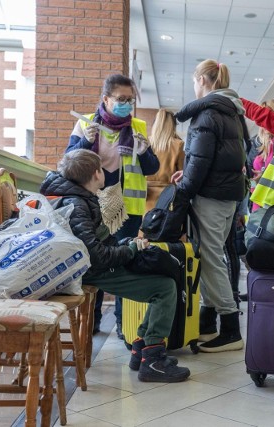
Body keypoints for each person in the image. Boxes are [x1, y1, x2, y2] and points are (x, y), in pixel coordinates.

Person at [40, 149, 190, 383]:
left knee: (162, 279)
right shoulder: (77, 204)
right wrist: (130, 250)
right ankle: (152, 360)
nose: (106, 173)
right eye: (102, 169)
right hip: (89, 271)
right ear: (95, 173)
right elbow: (97, 257)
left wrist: (125, 244)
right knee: (165, 287)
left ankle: (142, 348)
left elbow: (95, 244)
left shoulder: (71, 196)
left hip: (83, 267)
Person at [66, 74, 159, 339]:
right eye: (121, 99)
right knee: (91, 262)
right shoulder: (85, 123)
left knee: (124, 262)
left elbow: (152, 168)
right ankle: (91, 321)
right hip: (91, 206)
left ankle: (122, 323)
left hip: (127, 208)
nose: (126, 105)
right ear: (106, 99)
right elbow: (69, 165)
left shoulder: (138, 127)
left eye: (130, 100)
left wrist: (143, 152)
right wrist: (85, 140)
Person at [171, 59, 248, 353]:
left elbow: (202, 161)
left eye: (194, 81)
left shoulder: (207, 114)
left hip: (211, 197)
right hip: (228, 195)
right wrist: (188, 170)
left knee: (211, 258)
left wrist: (184, 191)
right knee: (213, 256)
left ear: (203, 79)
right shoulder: (232, 112)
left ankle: (230, 327)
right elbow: (219, 159)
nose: (194, 86)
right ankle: (208, 322)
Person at [144, 108, 185, 212]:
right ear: (173, 126)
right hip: (168, 198)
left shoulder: (145, 143)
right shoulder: (178, 145)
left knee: (145, 225)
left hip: (145, 195)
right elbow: (182, 174)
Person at [250, 100, 274, 212]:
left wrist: (264, 175)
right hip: (257, 204)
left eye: (268, 116)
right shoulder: (255, 143)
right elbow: (249, 175)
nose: (264, 122)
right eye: (261, 117)